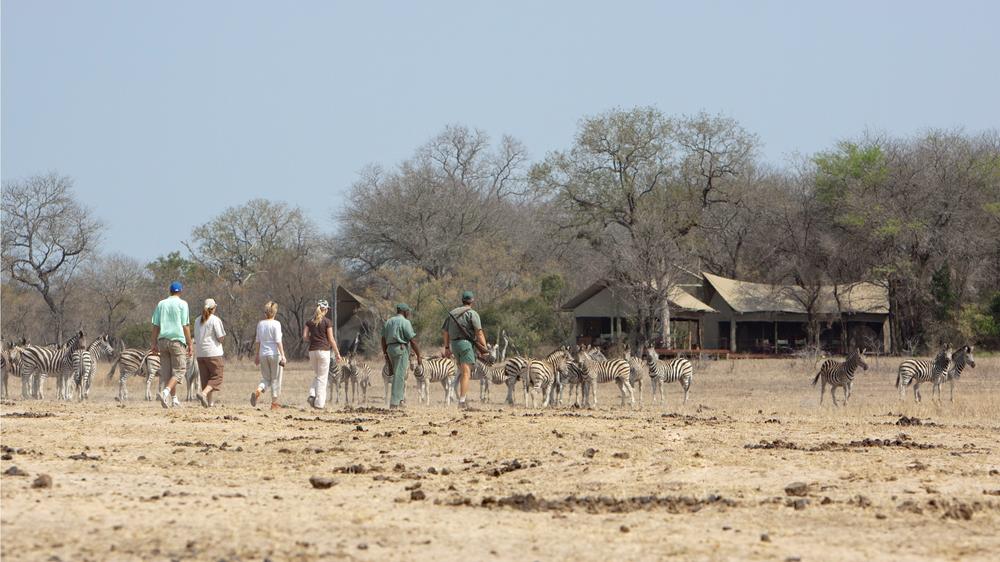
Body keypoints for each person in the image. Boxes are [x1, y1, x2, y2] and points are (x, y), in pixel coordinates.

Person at [441, 290, 488, 409]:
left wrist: (447, 347)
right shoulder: (472, 313)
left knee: (462, 372)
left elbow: (445, 332)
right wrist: (485, 349)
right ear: (472, 301)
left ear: (462, 300)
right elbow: (479, 333)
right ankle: (462, 401)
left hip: (454, 345)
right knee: (466, 373)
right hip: (466, 345)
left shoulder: (452, 313)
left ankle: (463, 398)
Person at [150, 281, 192, 409]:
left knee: (168, 373)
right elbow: (185, 325)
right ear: (180, 291)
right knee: (180, 370)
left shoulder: (161, 304)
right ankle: (165, 393)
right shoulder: (182, 304)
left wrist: (153, 343)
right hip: (177, 340)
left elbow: (155, 325)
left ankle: (174, 400)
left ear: (170, 291)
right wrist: (190, 343)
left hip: (162, 341)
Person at [381, 303, 422, 409]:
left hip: (390, 349)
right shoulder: (405, 322)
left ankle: (400, 400)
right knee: (399, 376)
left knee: (396, 375)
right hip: (401, 350)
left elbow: (383, 339)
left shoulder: (389, 321)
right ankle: (394, 403)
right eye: (408, 311)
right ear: (404, 311)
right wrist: (418, 355)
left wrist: (385, 352)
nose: (409, 313)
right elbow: (412, 340)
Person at [303, 299, 342, 409]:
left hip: (312, 351)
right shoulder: (327, 322)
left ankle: (312, 394)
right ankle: (319, 404)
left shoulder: (309, 322)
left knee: (318, 375)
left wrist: (314, 338)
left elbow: (305, 337)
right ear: (325, 309)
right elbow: (331, 339)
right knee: (323, 378)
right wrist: (337, 353)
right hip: (324, 351)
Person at [251, 301, 286, 410]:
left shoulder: (260, 324)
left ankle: (258, 390)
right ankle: (274, 403)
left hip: (263, 354)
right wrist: (283, 355)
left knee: (266, 378)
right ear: (275, 312)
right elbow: (278, 341)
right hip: (274, 354)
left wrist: (257, 355)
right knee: (275, 379)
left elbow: (257, 341)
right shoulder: (276, 324)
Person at [194, 298, 226, 407]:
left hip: (200, 353)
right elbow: (221, 337)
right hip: (213, 353)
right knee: (217, 377)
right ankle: (203, 393)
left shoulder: (197, 320)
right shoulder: (215, 320)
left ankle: (209, 403)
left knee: (205, 378)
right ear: (213, 308)